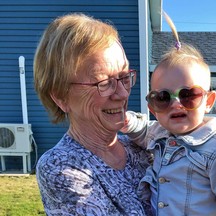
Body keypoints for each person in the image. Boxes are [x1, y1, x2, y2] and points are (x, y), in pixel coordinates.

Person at [121, 14, 216, 215]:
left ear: (208, 101)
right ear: (153, 108)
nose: (176, 104)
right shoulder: (159, 133)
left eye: (188, 95)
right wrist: (125, 121)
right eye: (163, 98)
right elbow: (141, 130)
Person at [34, 13, 151, 215]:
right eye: (104, 83)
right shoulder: (60, 166)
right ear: (61, 96)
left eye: (124, 77)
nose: (123, 94)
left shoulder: (138, 147)